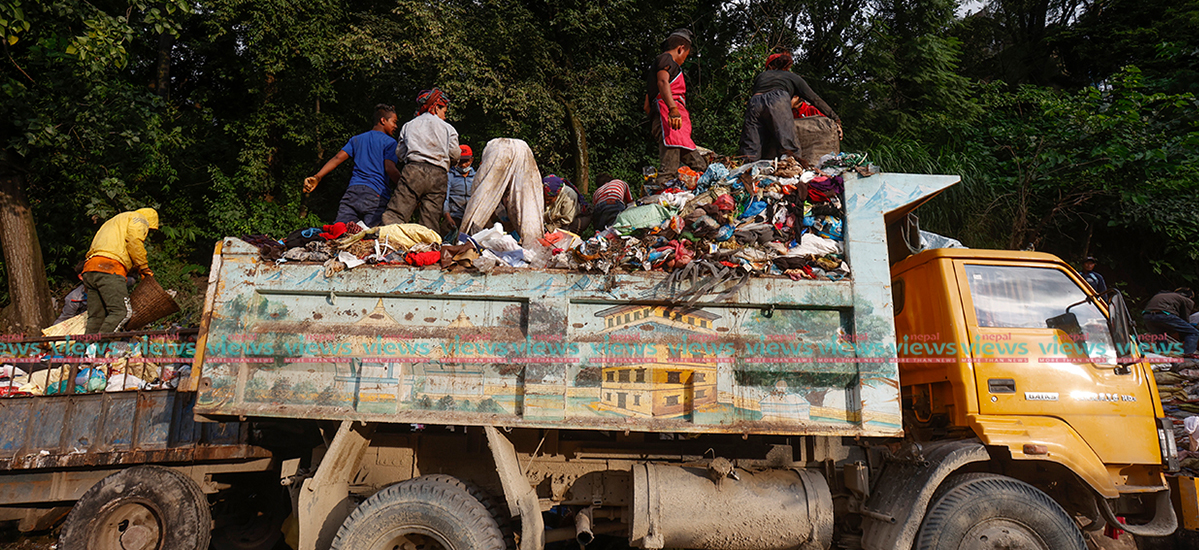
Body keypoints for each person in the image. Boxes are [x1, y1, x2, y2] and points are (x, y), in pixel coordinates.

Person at [304, 104, 401, 227]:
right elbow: (390, 168)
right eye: (394, 122)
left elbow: (337, 158)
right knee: (373, 237)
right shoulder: (390, 142)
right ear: (383, 120)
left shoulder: (357, 139)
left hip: (353, 192)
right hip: (376, 194)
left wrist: (318, 177)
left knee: (340, 231)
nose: (395, 126)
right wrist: (406, 188)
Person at [738, 51, 841, 163]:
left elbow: (764, 105)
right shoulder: (792, 77)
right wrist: (836, 119)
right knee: (788, 147)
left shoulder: (761, 76)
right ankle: (792, 170)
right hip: (778, 101)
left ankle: (745, 173)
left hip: (754, 102)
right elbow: (815, 99)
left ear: (770, 67)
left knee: (750, 148)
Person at [382, 88, 461, 230]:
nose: (445, 116)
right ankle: (427, 249)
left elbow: (400, 154)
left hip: (413, 171)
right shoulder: (448, 128)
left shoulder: (409, 125)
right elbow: (455, 155)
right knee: (430, 220)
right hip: (438, 174)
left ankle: (389, 242)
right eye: (444, 112)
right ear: (437, 108)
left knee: (396, 213)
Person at [643, 29, 707, 188]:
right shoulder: (666, 59)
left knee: (700, 166)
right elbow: (663, 82)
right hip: (670, 122)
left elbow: (646, 105)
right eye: (686, 54)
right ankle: (659, 203)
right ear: (681, 48)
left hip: (674, 125)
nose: (685, 59)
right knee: (668, 172)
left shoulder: (654, 72)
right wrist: (672, 109)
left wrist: (655, 119)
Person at [81, 208, 159, 334]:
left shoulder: (114, 221)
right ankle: (98, 347)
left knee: (96, 317)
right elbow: (134, 241)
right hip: (110, 269)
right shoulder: (139, 219)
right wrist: (143, 267)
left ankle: (84, 351)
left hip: (90, 268)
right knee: (121, 313)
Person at [1143, 288, 1198, 356]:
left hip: (1147, 316)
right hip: (1164, 315)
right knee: (1193, 332)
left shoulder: (1163, 295)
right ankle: (1189, 356)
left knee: (1161, 337)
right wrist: (1183, 337)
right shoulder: (1187, 300)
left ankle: (1163, 356)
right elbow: (1184, 318)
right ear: (1190, 297)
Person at [443, 145, 475, 231]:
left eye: (466, 161)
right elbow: (445, 198)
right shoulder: (450, 176)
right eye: (461, 161)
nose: (463, 165)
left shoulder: (476, 176)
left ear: (471, 160)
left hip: (471, 217)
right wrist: (448, 217)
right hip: (454, 216)